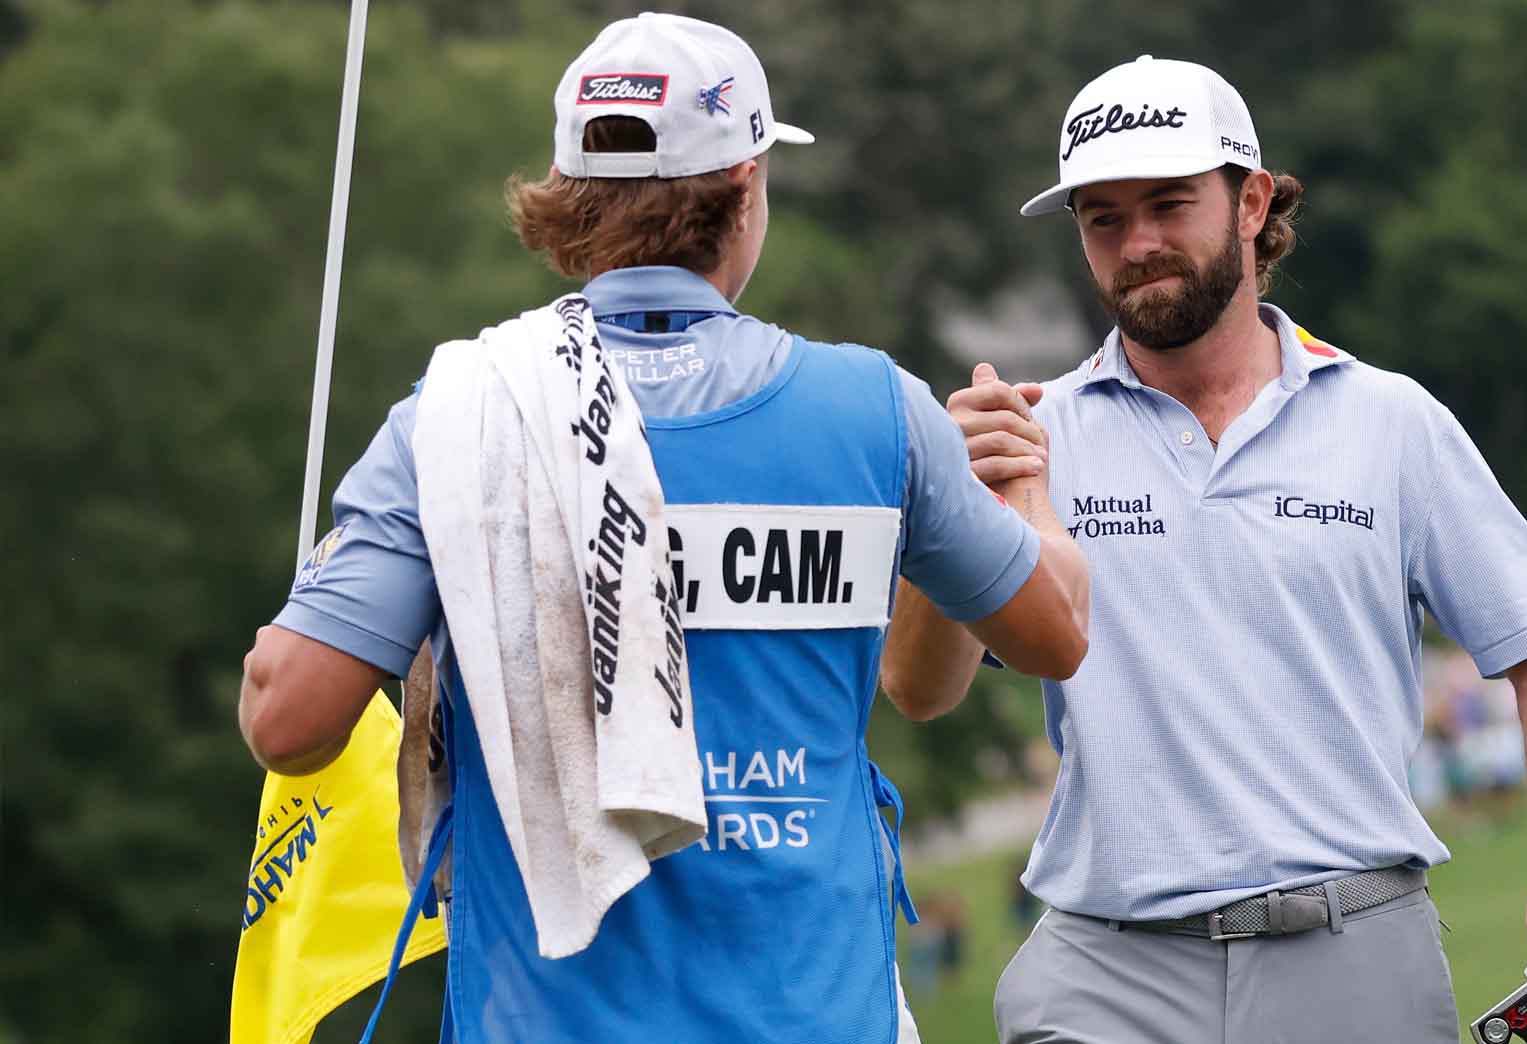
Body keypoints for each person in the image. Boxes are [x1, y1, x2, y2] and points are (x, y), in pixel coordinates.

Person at [237, 14, 1089, 1044]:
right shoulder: (875, 407)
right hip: (817, 1018)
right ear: (743, 189)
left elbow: (288, 722)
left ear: (568, 198)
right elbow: (1054, 635)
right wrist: (1018, 484)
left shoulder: (459, 413)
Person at [881, 55, 1527, 1043]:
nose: (1137, 242)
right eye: (1102, 217)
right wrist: (957, 503)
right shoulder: (1031, 436)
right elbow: (917, 688)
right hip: (1105, 971)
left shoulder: (1388, 421)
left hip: (1351, 948)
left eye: (1167, 203)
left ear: (1251, 203)